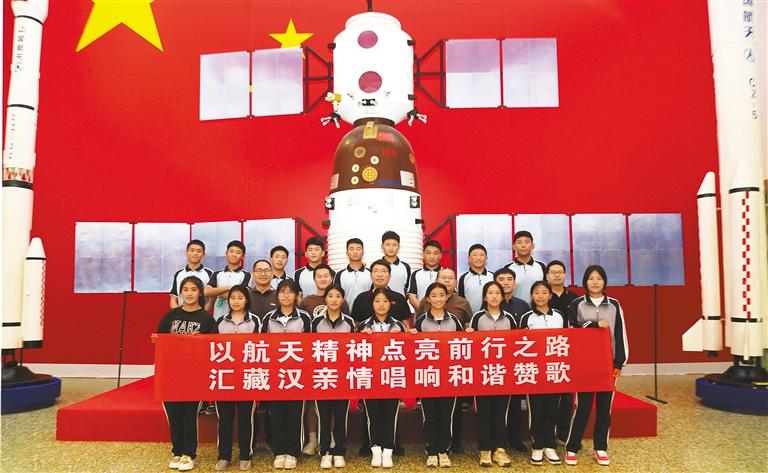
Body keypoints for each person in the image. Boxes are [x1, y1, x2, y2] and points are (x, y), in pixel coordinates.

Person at [564, 265, 628, 467]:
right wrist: (593, 324)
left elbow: (620, 334)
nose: (595, 282)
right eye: (591, 278)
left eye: (599, 278)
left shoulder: (614, 305)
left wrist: (619, 362)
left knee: (604, 408)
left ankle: (601, 447)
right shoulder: (577, 304)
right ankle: (572, 447)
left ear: (604, 281)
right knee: (582, 408)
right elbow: (571, 328)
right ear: (585, 281)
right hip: (584, 364)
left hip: (607, 365)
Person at [154, 276, 216, 472]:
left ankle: (189, 453)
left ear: (200, 293)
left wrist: (201, 341)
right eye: (185, 289)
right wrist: (156, 339)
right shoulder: (170, 316)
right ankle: (177, 452)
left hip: (194, 376)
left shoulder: (206, 318)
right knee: (174, 416)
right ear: (181, 293)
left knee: (189, 415)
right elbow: (161, 341)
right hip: (171, 374)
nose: (189, 293)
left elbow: (214, 347)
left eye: (193, 290)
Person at [261, 279, 313, 470]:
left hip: (297, 375)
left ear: (297, 296)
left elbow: (310, 347)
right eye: (282, 291)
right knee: (276, 414)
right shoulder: (268, 318)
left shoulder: (304, 318)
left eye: (290, 292)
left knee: (294, 414)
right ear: (277, 296)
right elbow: (261, 346)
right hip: (274, 374)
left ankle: (292, 452)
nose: (286, 295)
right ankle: (279, 451)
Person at [412, 282, 464, 468]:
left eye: (441, 295)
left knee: (446, 416)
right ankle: (432, 450)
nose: (438, 299)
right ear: (428, 299)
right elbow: (413, 349)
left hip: (450, 376)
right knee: (430, 415)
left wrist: (469, 335)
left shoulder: (454, 320)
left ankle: (444, 450)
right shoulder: (421, 321)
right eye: (434, 295)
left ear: (447, 297)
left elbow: (464, 346)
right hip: (428, 377)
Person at [212, 285, 261, 471]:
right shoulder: (219, 322)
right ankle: (224, 456)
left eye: (240, 298)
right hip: (224, 378)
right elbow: (211, 349)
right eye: (233, 298)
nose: (236, 301)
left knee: (246, 419)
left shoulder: (255, 321)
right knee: (224, 419)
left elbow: (261, 348)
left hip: (247, 376)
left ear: (246, 300)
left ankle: (245, 455)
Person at [467, 281, 514, 467]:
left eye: (497, 293)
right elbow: (470, 345)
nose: (494, 296)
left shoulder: (509, 318)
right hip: (482, 374)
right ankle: (485, 449)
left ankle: (500, 449)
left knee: (500, 413)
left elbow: (517, 344)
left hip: (503, 373)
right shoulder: (477, 318)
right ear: (484, 297)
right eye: (490, 293)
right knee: (484, 413)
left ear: (502, 297)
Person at [520, 281, 567, 466]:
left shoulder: (560, 316)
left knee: (552, 409)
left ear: (550, 295)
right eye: (536, 292)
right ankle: (537, 445)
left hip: (555, 370)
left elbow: (568, 340)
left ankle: (550, 445)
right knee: (536, 410)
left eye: (544, 292)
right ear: (532, 296)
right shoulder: (526, 317)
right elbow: (519, 344)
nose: (540, 296)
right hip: (534, 371)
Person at [359, 288, 406, 468]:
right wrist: (362, 337)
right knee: (373, 415)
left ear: (390, 303)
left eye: (385, 301)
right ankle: (375, 450)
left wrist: (404, 335)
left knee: (390, 415)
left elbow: (408, 350)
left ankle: (388, 450)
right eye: (377, 301)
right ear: (372, 304)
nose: (381, 305)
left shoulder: (398, 325)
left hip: (392, 377)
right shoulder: (363, 325)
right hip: (370, 377)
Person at [311, 285, 356, 469]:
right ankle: (325, 452)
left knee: (340, 416)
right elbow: (309, 349)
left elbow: (354, 349)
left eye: (338, 296)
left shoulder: (349, 322)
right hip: (322, 376)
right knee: (323, 416)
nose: (334, 299)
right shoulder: (315, 323)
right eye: (330, 296)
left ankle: (339, 451)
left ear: (343, 299)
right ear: (325, 299)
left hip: (342, 377)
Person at [492, 267, 530, 452]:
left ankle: (515, 438)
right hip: (494, 363)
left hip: (515, 361)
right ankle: (496, 440)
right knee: (496, 404)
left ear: (515, 283)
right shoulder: (489, 306)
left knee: (514, 402)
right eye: (501, 279)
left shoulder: (523, 305)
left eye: (509, 279)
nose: (505, 282)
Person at [545, 260, 579, 443]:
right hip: (546, 352)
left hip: (568, 351)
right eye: (553, 272)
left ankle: (563, 433)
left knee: (567, 396)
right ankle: (548, 433)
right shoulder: (543, 296)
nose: (557, 275)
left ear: (565, 275)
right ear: (547, 275)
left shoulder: (574, 298)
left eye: (560, 272)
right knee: (550, 396)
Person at [351, 259, 410, 326]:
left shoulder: (399, 298)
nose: (379, 275)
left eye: (383, 271)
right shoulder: (361, 298)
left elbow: (406, 326)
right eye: (375, 271)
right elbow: (356, 325)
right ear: (371, 276)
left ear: (390, 276)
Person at [205, 240, 251, 321]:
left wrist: (215, 293)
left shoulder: (246, 275)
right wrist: (227, 288)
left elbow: (240, 295)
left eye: (238, 252)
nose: (234, 254)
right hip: (218, 318)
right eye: (231, 251)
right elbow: (206, 292)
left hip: (239, 320)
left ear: (243, 256)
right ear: (226, 254)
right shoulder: (217, 274)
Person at [169, 239, 213, 311]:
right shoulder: (179, 274)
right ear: (186, 253)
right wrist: (179, 314)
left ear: (203, 254)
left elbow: (211, 299)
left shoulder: (209, 273)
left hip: (202, 314)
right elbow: (173, 300)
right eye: (192, 250)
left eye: (199, 251)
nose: (195, 253)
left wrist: (202, 314)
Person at [504, 230, 547, 303]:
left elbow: (547, 289)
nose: (523, 245)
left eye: (527, 242)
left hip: (537, 308)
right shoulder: (508, 268)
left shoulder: (541, 266)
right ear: (514, 247)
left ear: (533, 246)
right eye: (519, 242)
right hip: (515, 308)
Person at [333, 238, 372, 308]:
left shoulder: (371, 273)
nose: (355, 252)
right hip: (346, 313)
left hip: (367, 313)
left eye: (358, 249)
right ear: (347, 253)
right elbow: (336, 297)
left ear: (363, 252)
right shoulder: (340, 275)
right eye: (351, 249)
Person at [457, 244, 495, 313]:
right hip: (470, 317)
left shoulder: (493, 276)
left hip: (491, 316)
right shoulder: (463, 278)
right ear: (469, 258)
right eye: (475, 255)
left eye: (481, 255)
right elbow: (461, 301)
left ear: (486, 258)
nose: (478, 258)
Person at [407, 240, 443, 309]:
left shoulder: (446, 273)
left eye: (435, 253)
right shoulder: (416, 274)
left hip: (442, 314)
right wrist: (423, 311)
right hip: (421, 314)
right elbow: (412, 297)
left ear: (440, 255)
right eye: (428, 253)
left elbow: (452, 296)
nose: (432, 256)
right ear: (423, 255)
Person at [380, 231, 411, 297]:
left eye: (394, 245)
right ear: (382, 246)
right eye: (388, 245)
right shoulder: (376, 266)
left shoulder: (405, 267)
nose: (391, 248)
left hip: (400, 302)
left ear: (398, 247)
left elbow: (407, 289)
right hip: (381, 302)